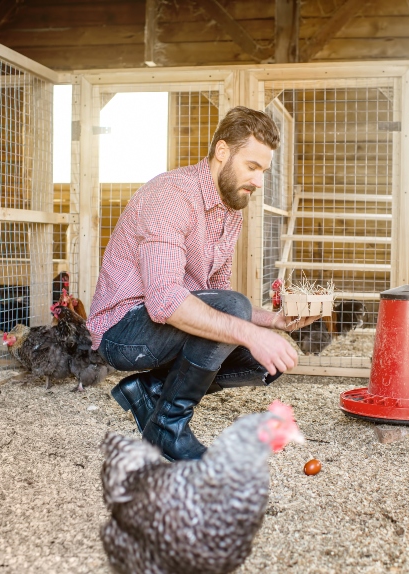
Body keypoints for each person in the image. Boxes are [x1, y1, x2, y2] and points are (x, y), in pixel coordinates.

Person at [87, 106, 319, 461]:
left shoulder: (229, 210)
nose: (259, 182)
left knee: (263, 362)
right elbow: (165, 301)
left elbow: (214, 297)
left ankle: (149, 390)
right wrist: (249, 331)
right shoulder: (172, 196)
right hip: (123, 331)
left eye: (264, 171)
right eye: (252, 167)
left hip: (165, 327)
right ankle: (168, 424)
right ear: (222, 152)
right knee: (238, 319)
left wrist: (271, 323)